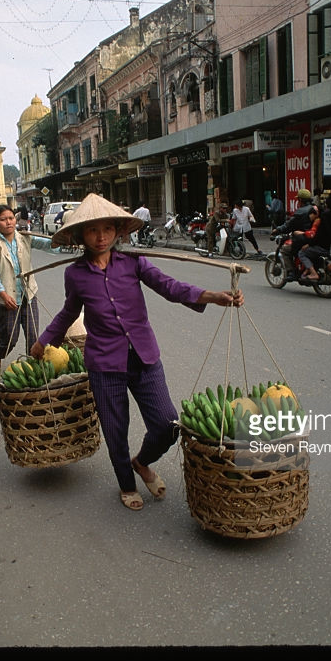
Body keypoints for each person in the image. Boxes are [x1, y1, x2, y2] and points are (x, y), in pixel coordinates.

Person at [29, 194, 244, 512]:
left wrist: (212, 295)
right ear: (80, 236)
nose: (101, 237)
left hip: (144, 357)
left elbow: (169, 286)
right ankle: (127, 485)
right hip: (104, 363)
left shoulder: (133, 261)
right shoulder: (75, 274)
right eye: (92, 231)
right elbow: (68, 311)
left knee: (169, 424)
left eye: (107, 229)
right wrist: (45, 339)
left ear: (118, 230)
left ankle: (142, 463)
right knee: (115, 430)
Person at [0, 205, 57, 380]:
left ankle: (33, 369)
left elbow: (47, 244)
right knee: (9, 338)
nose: (8, 222)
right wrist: (3, 294)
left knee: (33, 334)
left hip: (28, 295)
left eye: (11, 218)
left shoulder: (24, 238)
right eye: (3, 219)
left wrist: (60, 240)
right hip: (8, 299)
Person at [272, 202, 321, 282]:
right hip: (311, 241)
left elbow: (289, 225)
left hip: (305, 241)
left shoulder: (301, 213)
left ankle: (292, 272)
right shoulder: (314, 213)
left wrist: (278, 230)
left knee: (285, 250)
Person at [302, 192, 331, 275]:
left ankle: (313, 273)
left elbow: (320, 234)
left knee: (302, 252)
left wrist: (309, 244)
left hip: (324, 247)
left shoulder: (325, 216)